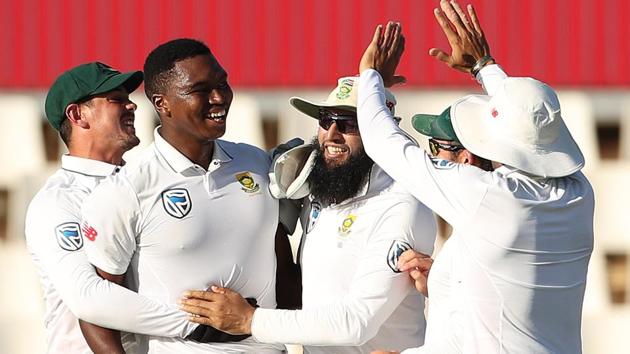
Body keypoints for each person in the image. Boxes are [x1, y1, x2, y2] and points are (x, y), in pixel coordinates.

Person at [359, 1, 594, 353]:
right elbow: (529, 120)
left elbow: (383, 142)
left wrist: (369, 77)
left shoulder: (488, 196)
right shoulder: (579, 193)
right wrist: (483, 66)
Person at [178, 76, 437, 354]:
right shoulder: (319, 184)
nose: (332, 134)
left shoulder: (401, 204)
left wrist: (249, 320)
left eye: (349, 123)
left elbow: (358, 322)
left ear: (381, 131)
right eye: (326, 120)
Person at [80, 38, 289, 353]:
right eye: (200, 90)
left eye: (223, 83)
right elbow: (96, 310)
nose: (218, 98)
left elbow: (284, 268)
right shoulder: (126, 191)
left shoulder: (257, 163)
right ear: (161, 103)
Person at [25, 62, 199, 354]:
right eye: (116, 100)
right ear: (77, 115)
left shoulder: (146, 182)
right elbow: (90, 296)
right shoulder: (58, 202)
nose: (132, 106)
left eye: (128, 99)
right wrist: (201, 324)